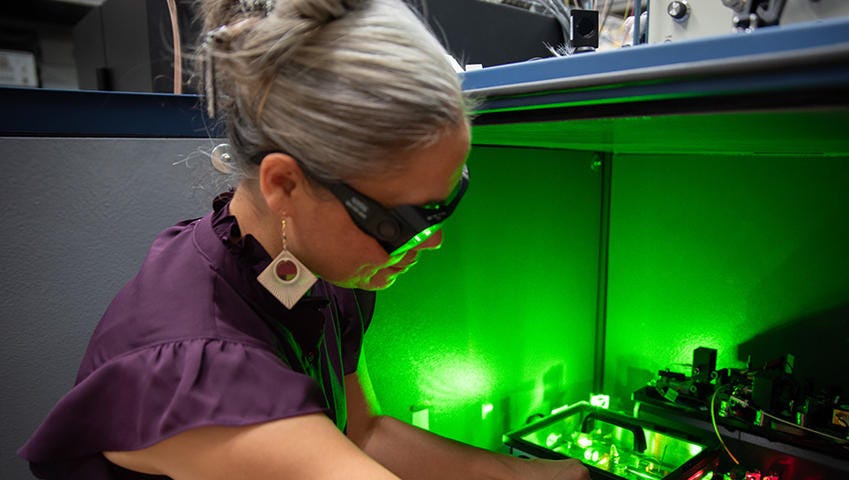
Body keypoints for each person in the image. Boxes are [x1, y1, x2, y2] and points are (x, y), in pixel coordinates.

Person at [18, 0, 590, 479]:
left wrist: (544, 474)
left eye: (448, 201)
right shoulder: (202, 370)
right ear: (284, 183)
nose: (432, 241)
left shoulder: (301, 261)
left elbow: (364, 433)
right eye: (402, 221)